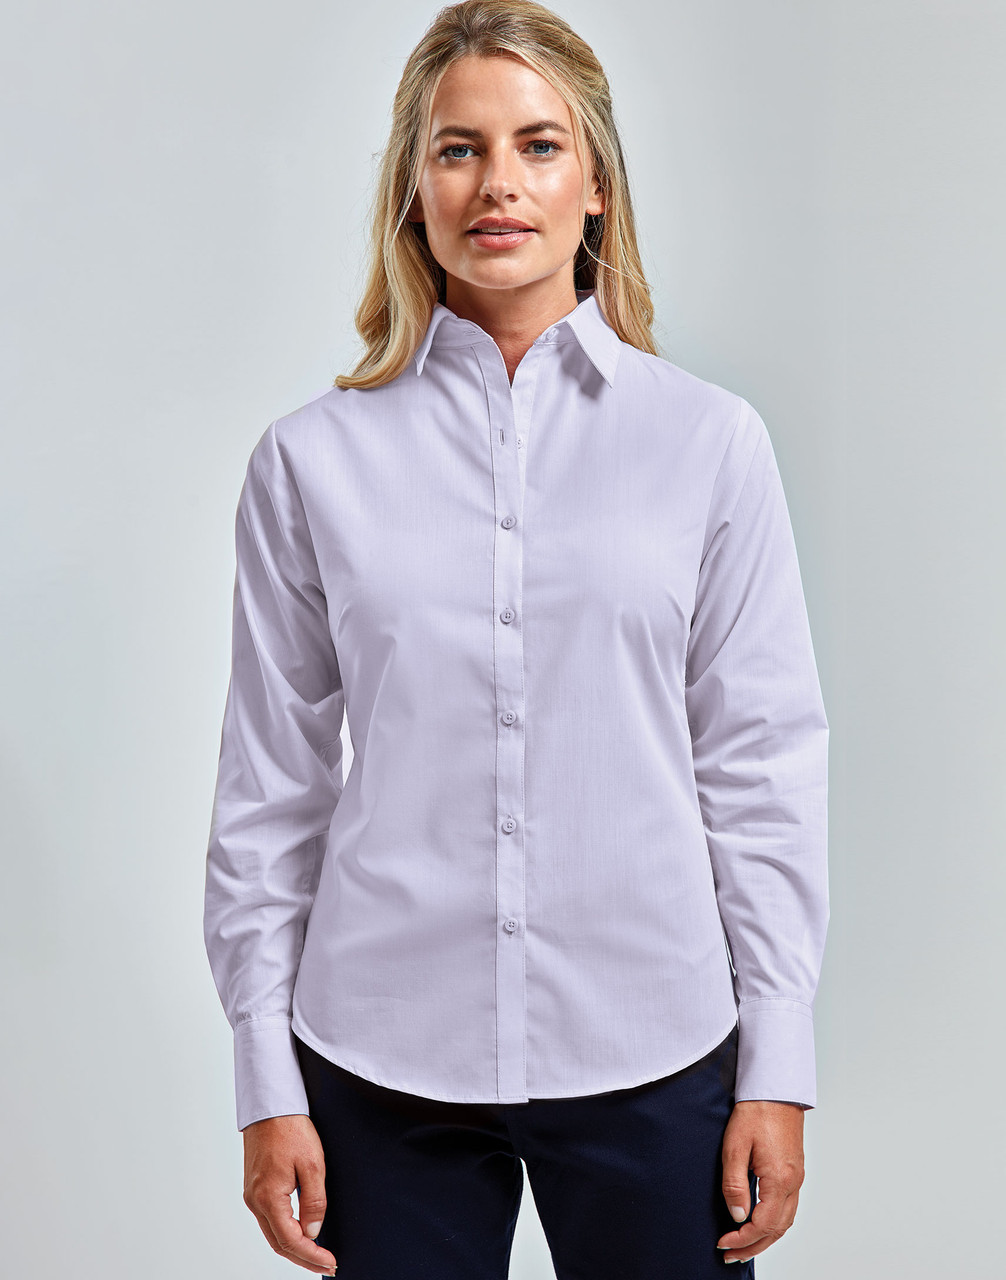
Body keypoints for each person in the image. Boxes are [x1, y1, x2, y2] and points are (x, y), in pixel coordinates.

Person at [202, 2, 830, 1276]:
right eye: (458, 148)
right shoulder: (308, 462)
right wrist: (265, 1074)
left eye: (539, 145)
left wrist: (777, 1058)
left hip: (657, 1042)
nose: (498, 183)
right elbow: (270, 786)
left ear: (595, 185)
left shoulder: (709, 443)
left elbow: (760, 764)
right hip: (378, 1055)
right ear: (412, 187)